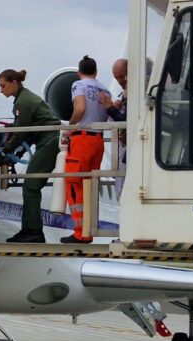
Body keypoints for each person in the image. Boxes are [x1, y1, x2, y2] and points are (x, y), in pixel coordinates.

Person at [0, 69, 60, 243]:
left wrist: (2, 155)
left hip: (49, 141)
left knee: (30, 186)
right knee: (31, 185)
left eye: (3, 86)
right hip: (45, 140)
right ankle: (30, 230)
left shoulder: (23, 103)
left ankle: (33, 231)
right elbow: (27, 132)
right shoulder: (24, 99)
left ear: (14, 83)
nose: (1, 91)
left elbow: (20, 134)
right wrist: (17, 152)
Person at [61, 55, 110, 244]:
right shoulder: (104, 89)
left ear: (78, 72)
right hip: (98, 140)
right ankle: (88, 230)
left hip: (81, 138)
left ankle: (80, 231)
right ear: (96, 72)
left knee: (74, 183)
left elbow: (80, 108)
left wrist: (70, 126)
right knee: (89, 185)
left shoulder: (78, 85)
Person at [100, 58, 128, 200]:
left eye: (122, 76)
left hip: (130, 152)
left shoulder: (137, 92)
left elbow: (127, 122)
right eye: (117, 78)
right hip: (124, 150)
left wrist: (109, 108)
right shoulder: (125, 94)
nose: (120, 81)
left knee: (125, 191)